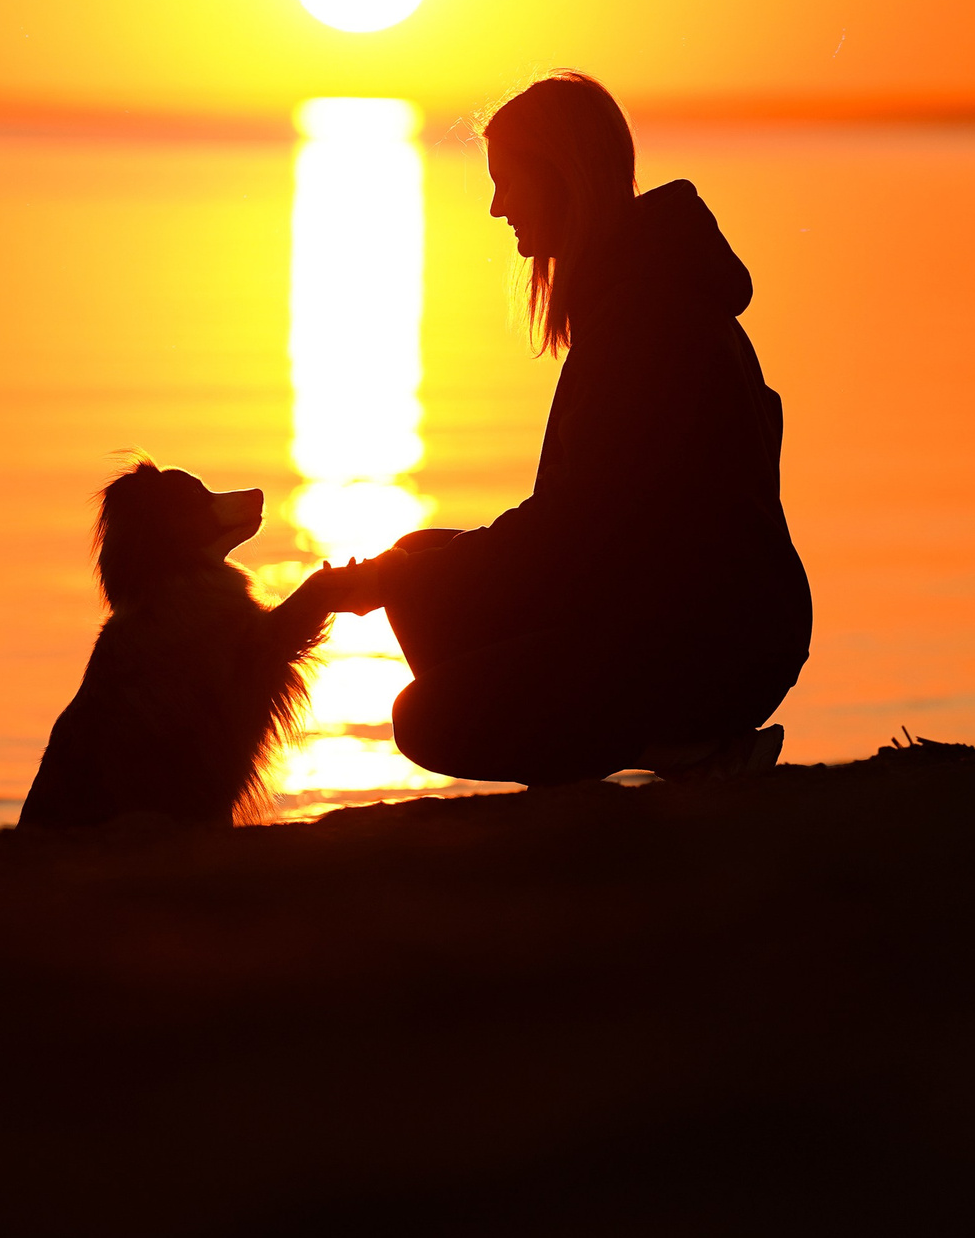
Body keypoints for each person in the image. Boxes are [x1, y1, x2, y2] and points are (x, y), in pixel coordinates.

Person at [333, 72, 810, 786]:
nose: (497, 208)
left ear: (562, 179)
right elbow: (594, 531)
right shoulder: (637, 296)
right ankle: (631, 749)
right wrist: (412, 572)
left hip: (710, 640)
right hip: (701, 614)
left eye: (509, 183)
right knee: (418, 564)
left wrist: (398, 577)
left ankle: (687, 749)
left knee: (426, 716)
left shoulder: (642, 321)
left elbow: (573, 531)